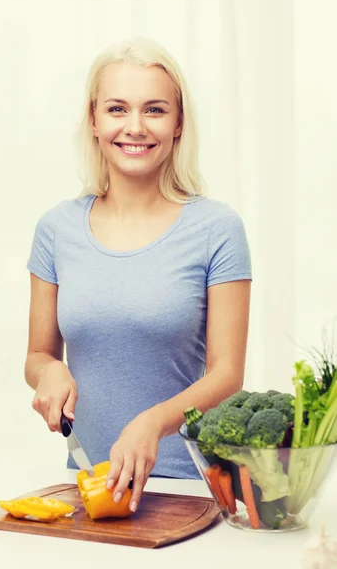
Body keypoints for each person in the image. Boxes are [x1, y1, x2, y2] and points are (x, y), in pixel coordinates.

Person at [25, 37, 252, 514]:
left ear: (178, 123)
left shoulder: (217, 228)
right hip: (89, 484)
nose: (135, 127)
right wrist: (50, 371)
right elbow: (38, 355)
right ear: (93, 121)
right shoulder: (56, 230)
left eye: (154, 109)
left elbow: (227, 373)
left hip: (193, 484)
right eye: (116, 109)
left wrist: (153, 422)